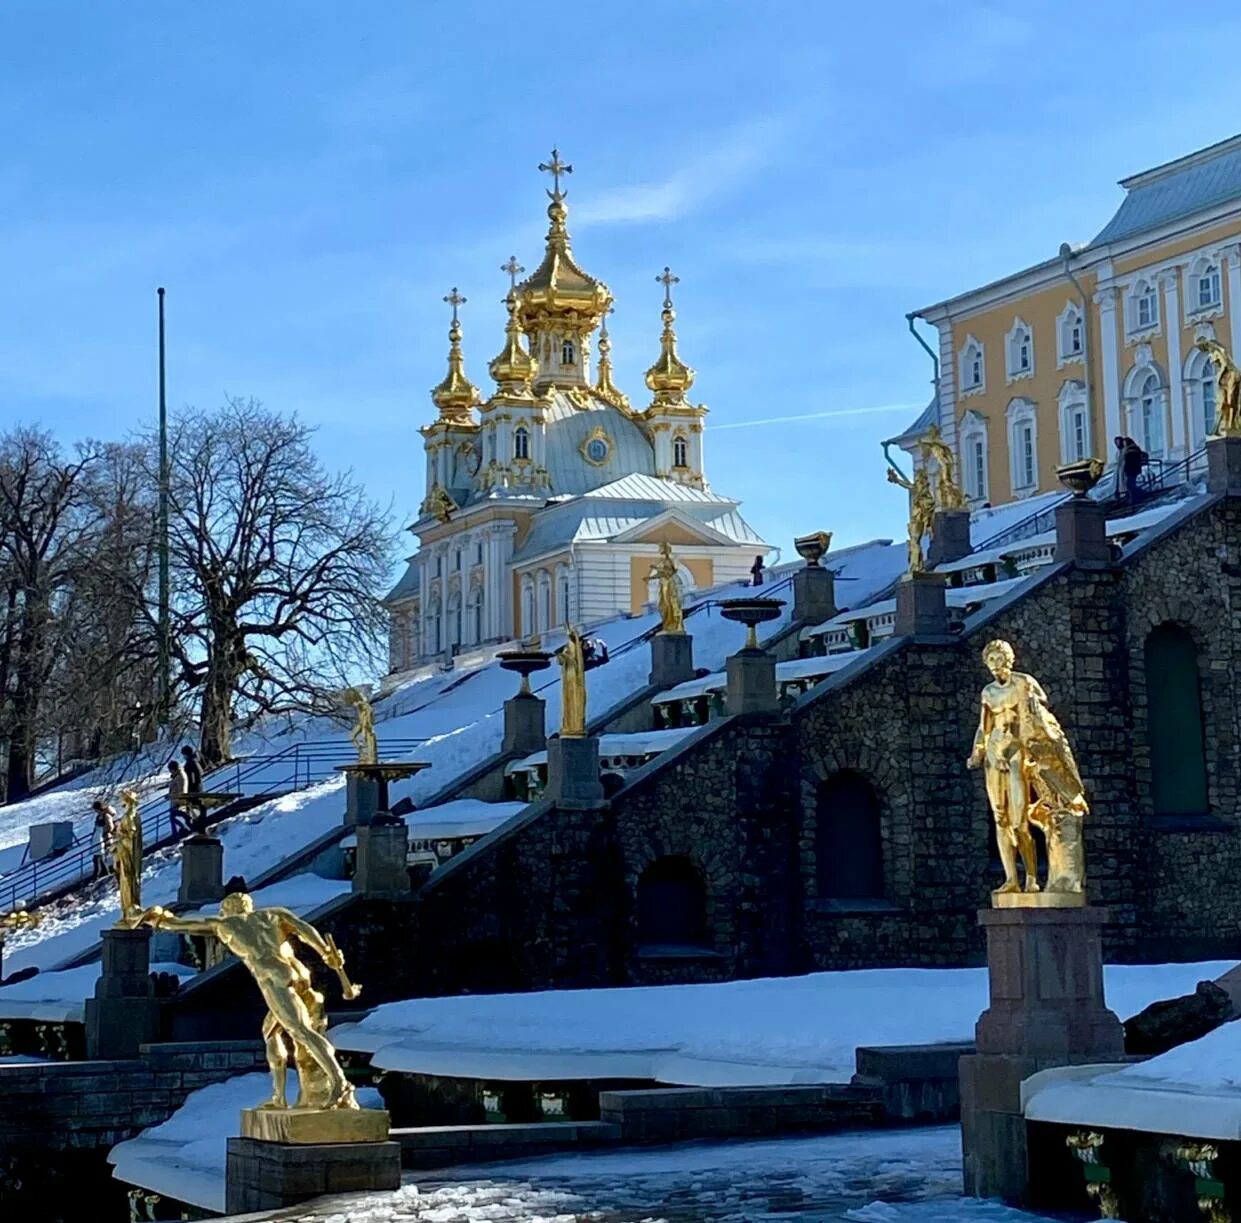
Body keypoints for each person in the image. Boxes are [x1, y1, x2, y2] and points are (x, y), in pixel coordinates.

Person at [136, 893, 359, 1111]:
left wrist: (156, 917)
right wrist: (325, 951)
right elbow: (304, 929)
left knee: (302, 1031)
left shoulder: (225, 923)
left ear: (228, 909)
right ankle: (279, 1097)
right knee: (271, 1031)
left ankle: (339, 1083)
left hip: (272, 976)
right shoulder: (273, 914)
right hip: (298, 972)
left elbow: (181, 925)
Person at [1115, 435, 1146, 503]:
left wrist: (1126, 468)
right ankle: (1134, 497)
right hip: (1131, 470)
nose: (1123, 444)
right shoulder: (1131, 449)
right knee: (1130, 484)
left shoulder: (1131, 450)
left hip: (1131, 470)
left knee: (1130, 484)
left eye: (1124, 442)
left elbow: (1130, 461)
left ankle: (1139, 495)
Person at [91, 799, 117, 878]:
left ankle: (101, 874)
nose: (96, 812)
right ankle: (104, 872)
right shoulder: (99, 816)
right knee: (99, 857)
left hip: (105, 838)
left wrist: (102, 830)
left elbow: (110, 827)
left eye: (96, 810)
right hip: (99, 839)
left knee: (98, 857)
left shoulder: (106, 816)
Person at [181, 745, 204, 831]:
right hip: (196, 789)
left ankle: (195, 826)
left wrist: (192, 786)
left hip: (193, 790)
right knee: (194, 809)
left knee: (193, 808)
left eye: (184, 754)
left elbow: (195, 777)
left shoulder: (191, 763)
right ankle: (195, 825)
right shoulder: (195, 761)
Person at [167, 760, 190, 836]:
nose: (170, 772)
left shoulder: (180, 777)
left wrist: (176, 800)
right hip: (175, 801)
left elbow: (181, 790)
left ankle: (178, 832)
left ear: (174, 769)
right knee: (173, 817)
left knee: (173, 817)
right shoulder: (177, 776)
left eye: (171, 770)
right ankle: (180, 831)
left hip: (178, 802)